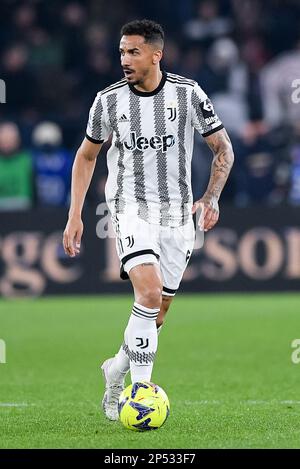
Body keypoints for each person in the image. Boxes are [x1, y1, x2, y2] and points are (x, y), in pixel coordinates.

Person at [63, 19, 234, 421]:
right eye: (121, 51)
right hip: (129, 208)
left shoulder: (187, 93)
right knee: (150, 293)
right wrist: (75, 215)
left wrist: (211, 198)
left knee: (156, 314)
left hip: (178, 214)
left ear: (156, 54)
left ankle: (116, 369)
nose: (124, 59)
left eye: (133, 52)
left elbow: (222, 148)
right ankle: (140, 392)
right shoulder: (108, 101)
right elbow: (86, 156)